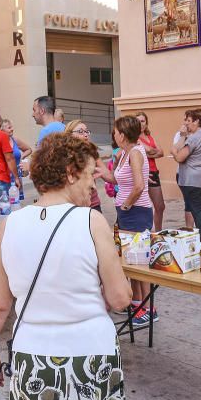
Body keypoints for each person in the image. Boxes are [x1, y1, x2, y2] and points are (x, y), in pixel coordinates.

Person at [0, 132, 132, 400]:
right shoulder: (91, 221)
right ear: (69, 173)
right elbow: (120, 298)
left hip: (34, 362)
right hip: (92, 360)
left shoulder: (10, 226)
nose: (92, 184)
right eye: (89, 176)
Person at [99, 116, 155, 329]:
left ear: (122, 134)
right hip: (128, 213)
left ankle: (150, 310)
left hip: (137, 213)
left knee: (140, 262)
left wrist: (126, 205)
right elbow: (117, 179)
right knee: (132, 261)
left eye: (115, 131)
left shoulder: (135, 154)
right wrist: (103, 171)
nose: (113, 134)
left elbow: (139, 186)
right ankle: (138, 304)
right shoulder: (124, 153)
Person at [171, 108, 201, 240]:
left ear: (197, 122)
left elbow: (179, 157)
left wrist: (174, 151)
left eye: (189, 121)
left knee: (198, 213)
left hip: (192, 181)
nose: (186, 124)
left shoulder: (194, 138)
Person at [135, 111, 166, 231]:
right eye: (137, 121)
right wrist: (151, 151)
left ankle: (157, 232)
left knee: (160, 206)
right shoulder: (135, 138)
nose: (140, 124)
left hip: (154, 172)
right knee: (142, 206)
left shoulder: (149, 137)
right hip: (143, 173)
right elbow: (152, 151)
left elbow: (161, 152)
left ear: (146, 123)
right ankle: (144, 231)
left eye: (142, 121)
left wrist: (149, 152)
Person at [66, 119, 103, 211]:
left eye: (86, 131)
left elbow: (108, 175)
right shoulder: (64, 157)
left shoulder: (92, 153)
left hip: (93, 204)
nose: (86, 134)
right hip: (73, 207)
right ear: (69, 134)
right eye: (80, 132)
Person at [0, 118, 32, 184]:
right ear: (2, 130)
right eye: (9, 128)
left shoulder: (15, 140)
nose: (12, 129)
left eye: (12, 127)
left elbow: (28, 149)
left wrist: (21, 157)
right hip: (4, 178)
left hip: (17, 177)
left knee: (18, 194)